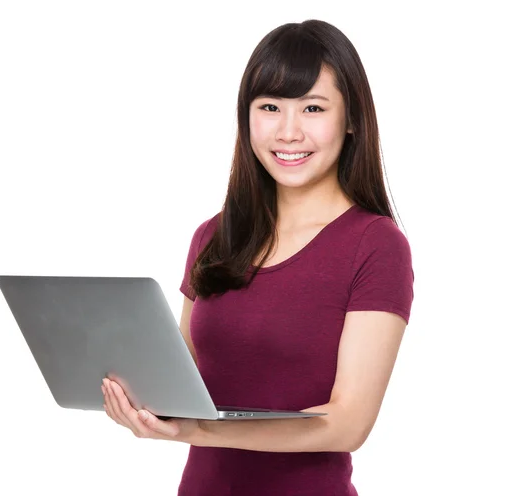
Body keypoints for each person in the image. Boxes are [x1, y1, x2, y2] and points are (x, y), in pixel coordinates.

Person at [101, 19, 414, 496]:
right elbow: (181, 386)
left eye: (313, 107)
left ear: (350, 120)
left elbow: (346, 424)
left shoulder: (375, 245)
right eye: (269, 107)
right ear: (247, 117)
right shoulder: (214, 236)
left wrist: (198, 431)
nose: (288, 131)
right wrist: (134, 393)